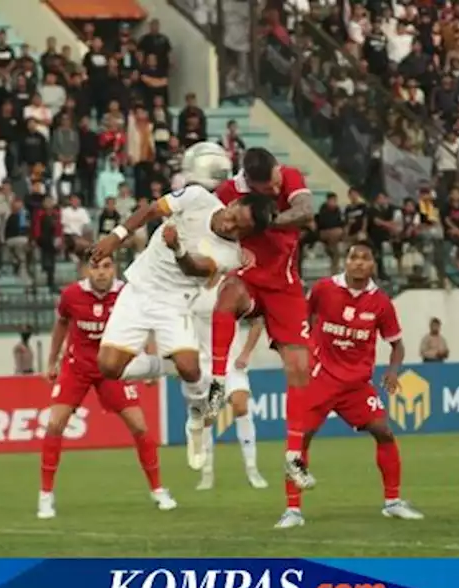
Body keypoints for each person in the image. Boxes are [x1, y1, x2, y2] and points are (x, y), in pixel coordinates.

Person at [89, 184, 276, 470]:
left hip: (175, 302)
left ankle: (195, 420)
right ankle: (166, 366)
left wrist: (177, 247)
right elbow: (151, 209)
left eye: (240, 228)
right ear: (234, 202)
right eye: (234, 215)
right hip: (139, 289)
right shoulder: (198, 197)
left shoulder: (230, 254)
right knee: (109, 368)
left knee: (190, 368)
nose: (230, 224)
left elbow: (195, 268)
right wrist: (116, 237)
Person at [276, 242, 423, 528]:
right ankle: (292, 510)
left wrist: (393, 372)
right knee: (301, 437)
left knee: (383, 432)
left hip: (356, 383)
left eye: (365, 258)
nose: (358, 262)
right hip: (320, 377)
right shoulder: (323, 289)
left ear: (373, 265)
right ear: (345, 261)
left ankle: (392, 502)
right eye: (353, 257)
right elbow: (302, 319)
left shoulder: (380, 302)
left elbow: (397, 345)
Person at [40, 256, 175, 518]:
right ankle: (45, 496)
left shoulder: (128, 294)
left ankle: (158, 490)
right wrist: (52, 361)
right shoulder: (71, 295)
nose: (101, 273)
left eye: (106, 266)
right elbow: (61, 325)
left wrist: (148, 362)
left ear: (114, 269)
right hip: (76, 366)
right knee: (55, 423)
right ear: (85, 270)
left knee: (139, 426)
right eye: (95, 267)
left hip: (113, 367)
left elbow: (143, 327)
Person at [207, 151, 317, 469]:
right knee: (226, 297)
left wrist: (265, 220)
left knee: (299, 367)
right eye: (268, 186)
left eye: (276, 180)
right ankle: (217, 381)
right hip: (250, 278)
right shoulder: (228, 193)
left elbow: (306, 211)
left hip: (285, 286)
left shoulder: (290, 176)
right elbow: (210, 227)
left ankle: (294, 456)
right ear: (250, 184)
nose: (276, 187)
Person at [190, 290, 266, 491]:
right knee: (208, 416)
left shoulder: (230, 289)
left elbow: (257, 321)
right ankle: (207, 473)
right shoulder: (190, 288)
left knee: (241, 406)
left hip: (231, 363)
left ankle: (252, 469)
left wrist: (246, 353)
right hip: (204, 365)